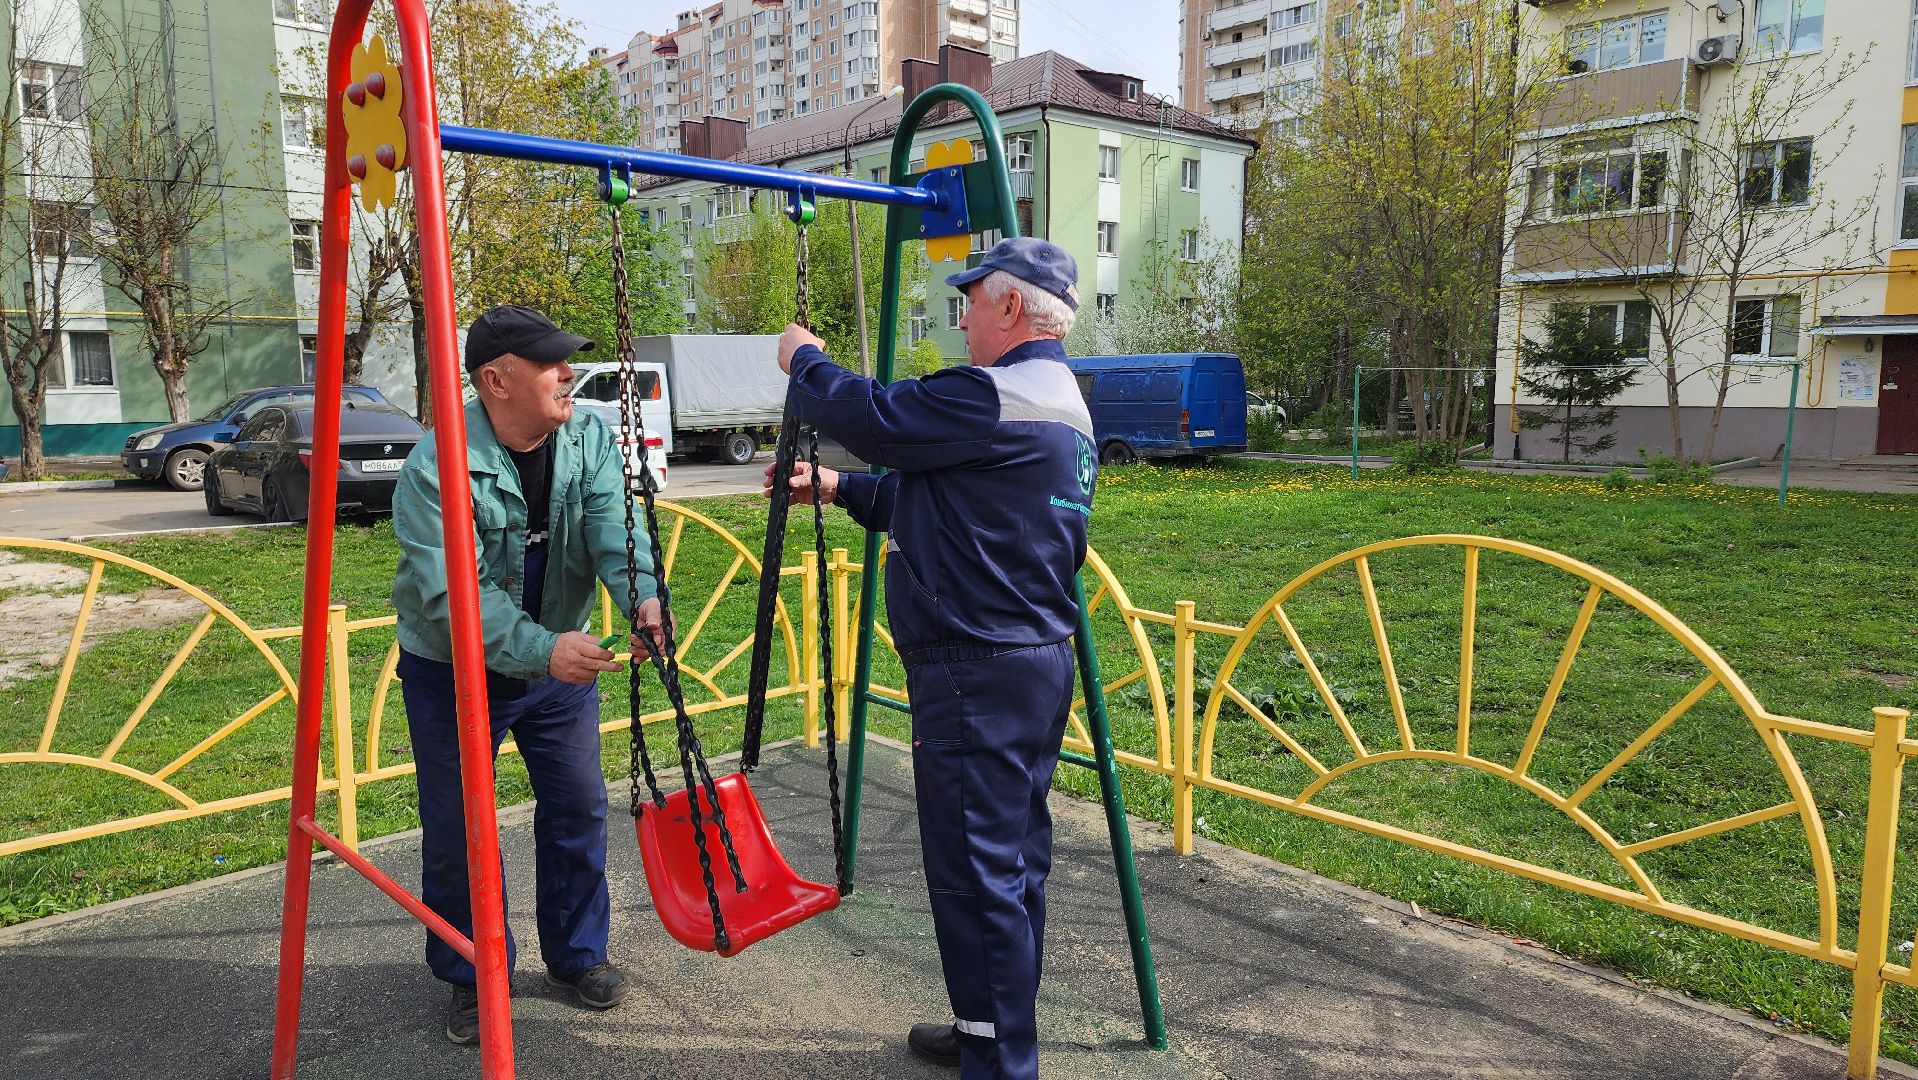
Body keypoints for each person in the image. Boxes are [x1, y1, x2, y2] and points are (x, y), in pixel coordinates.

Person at [767, 237, 1096, 1080]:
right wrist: (840, 490)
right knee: (1014, 863)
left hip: (974, 673)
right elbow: (948, 504)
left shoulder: (992, 394)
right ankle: (989, 1023)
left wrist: (807, 362)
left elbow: (871, 418)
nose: (963, 313)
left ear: (1013, 307)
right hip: (1029, 662)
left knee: (974, 875)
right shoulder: (1055, 400)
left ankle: (999, 1061)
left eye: (974, 297)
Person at [392, 304, 667, 1045]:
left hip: (555, 665)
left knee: (579, 806)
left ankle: (576, 956)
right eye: (549, 362)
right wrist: (545, 649)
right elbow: (457, 598)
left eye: (566, 359)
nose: (567, 372)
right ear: (495, 380)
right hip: (454, 669)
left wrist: (642, 596)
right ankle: (470, 973)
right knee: (460, 828)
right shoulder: (436, 467)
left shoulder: (583, 437)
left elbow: (616, 527)